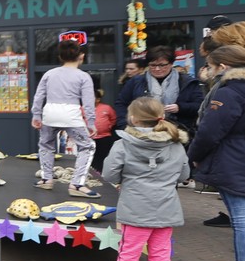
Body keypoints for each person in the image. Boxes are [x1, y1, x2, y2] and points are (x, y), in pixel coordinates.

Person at [100, 96, 189, 261]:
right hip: (166, 207)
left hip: (135, 206)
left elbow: (109, 174)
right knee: (161, 252)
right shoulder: (176, 145)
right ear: (162, 116)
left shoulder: (123, 144)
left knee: (129, 250)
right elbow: (184, 175)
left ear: (133, 119)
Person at [188, 44, 245, 261]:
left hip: (234, 161)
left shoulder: (230, 91)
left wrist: (194, 155)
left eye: (210, 67)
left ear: (222, 66)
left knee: (241, 220)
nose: (208, 72)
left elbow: (210, 131)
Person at [30, 39, 99, 198]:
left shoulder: (49, 74)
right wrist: (91, 123)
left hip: (50, 113)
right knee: (87, 146)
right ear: (81, 56)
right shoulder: (83, 76)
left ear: (60, 57)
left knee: (46, 145)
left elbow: (39, 96)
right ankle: (77, 184)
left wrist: (36, 114)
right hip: (71, 115)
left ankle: (47, 179)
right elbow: (88, 102)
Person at [114, 46, 203, 136]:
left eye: (162, 65)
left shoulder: (187, 82)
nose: (157, 69)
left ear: (171, 64)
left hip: (178, 133)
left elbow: (199, 105)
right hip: (141, 133)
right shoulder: (135, 82)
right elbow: (121, 104)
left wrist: (180, 107)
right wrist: (125, 125)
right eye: (153, 65)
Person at [91, 86, 117, 174]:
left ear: (98, 99)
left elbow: (113, 118)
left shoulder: (107, 108)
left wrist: (108, 126)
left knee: (104, 157)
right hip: (89, 137)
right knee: (91, 157)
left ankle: (102, 174)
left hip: (104, 137)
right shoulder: (83, 108)